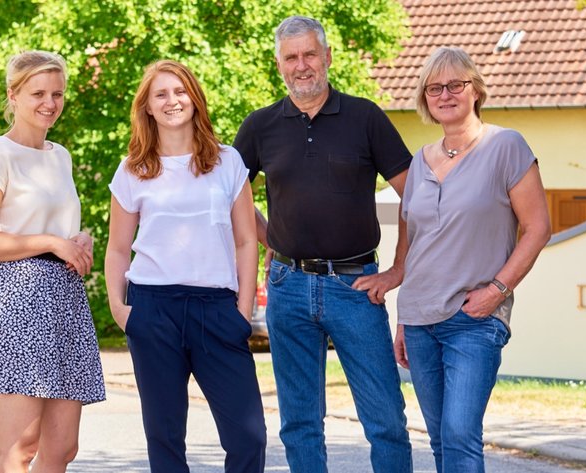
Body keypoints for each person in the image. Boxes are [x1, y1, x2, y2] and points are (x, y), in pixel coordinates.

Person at [232, 15, 413, 473]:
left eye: (310, 54)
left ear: (328, 57)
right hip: (288, 288)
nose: (302, 66)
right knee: (299, 423)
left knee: (386, 419)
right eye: (291, 58)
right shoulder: (260, 127)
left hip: (357, 288)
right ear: (279, 66)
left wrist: (397, 270)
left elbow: (417, 199)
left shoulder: (365, 117)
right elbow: (227, 196)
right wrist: (268, 234)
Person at [393, 46, 551, 473]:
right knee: (442, 439)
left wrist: (497, 290)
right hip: (420, 318)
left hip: (475, 319)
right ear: (424, 98)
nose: (445, 94)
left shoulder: (506, 146)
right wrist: (404, 319)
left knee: (461, 434)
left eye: (456, 85)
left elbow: (538, 229)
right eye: (434, 87)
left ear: (475, 90)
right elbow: (413, 244)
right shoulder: (419, 161)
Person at [104, 59, 266, 473]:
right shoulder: (133, 170)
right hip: (153, 310)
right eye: (161, 94)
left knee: (248, 437)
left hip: (218, 309)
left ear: (194, 99)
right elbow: (118, 248)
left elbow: (247, 241)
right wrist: (121, 311)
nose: (172, 101)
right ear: (148, 107)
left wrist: (242, 312)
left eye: (180, 92)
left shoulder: (228, 163)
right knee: (165, 436)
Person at [0, 50, 106, 473]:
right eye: (38, 92)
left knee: (62, 448)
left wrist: (79, 240)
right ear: (14, 93)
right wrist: (51, 242)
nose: (49, 103)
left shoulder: (61, 156)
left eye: (57, 93)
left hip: (65, 299)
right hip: (20, 299)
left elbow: (57, 224)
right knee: (19, 450)